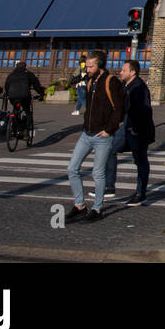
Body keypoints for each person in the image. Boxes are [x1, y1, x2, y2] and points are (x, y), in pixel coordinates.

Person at [65, 50, 124, 222]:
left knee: (98, 173)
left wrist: (109, 129)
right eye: (87, 66)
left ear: (100, 66)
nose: (88, 69)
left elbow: (119, 109)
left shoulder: (111, 81)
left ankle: (97, 209)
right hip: (87, 133)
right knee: (72, 168)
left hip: (102, 136)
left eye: (91, 66)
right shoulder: (90, 81)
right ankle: (80, 205)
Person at [110, 59, 153, 206]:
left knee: (140, 160)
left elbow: (144, 110)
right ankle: (109, 185)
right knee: (111, 150)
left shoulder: (139, 87)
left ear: (132, 72)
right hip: (127, 126)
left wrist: (137, 129)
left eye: (123, 70)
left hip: (137, 129)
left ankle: (141, 192)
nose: (121, 72)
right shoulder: (125, 85)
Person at [4, 61, 44, 125]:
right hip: (24, 95)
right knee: (27, 111)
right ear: (25, 67)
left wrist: (8, 94)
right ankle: (27, 129)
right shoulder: (28, 74)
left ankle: (15, 123)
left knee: (16, 108)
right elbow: (36, 85)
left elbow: (6, 85)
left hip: (12, 96)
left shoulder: (11, 75)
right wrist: (41, 93)